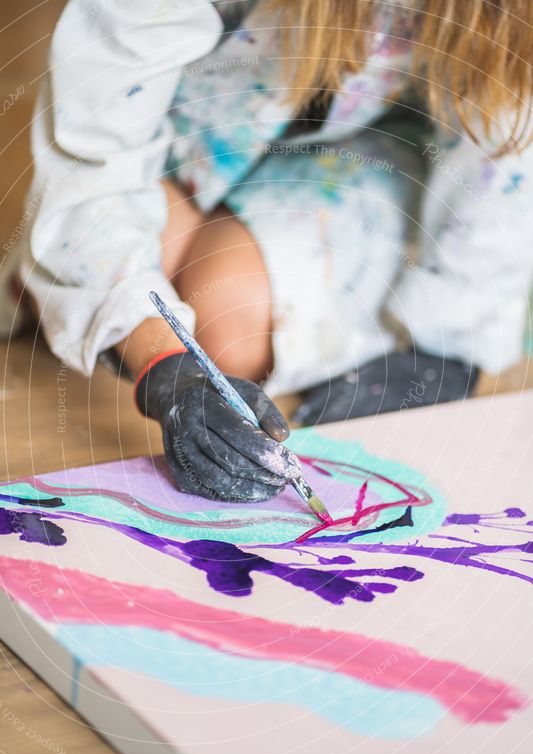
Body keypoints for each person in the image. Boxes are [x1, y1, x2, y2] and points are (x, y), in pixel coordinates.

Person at [3, 0, 532, 501]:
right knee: (128, 276)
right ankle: (68, 282)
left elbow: (507, 133)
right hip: (187, 130)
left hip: (380, 139)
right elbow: (96, 160)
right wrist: (165, 366)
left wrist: (446, 344)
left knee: (229, 326)